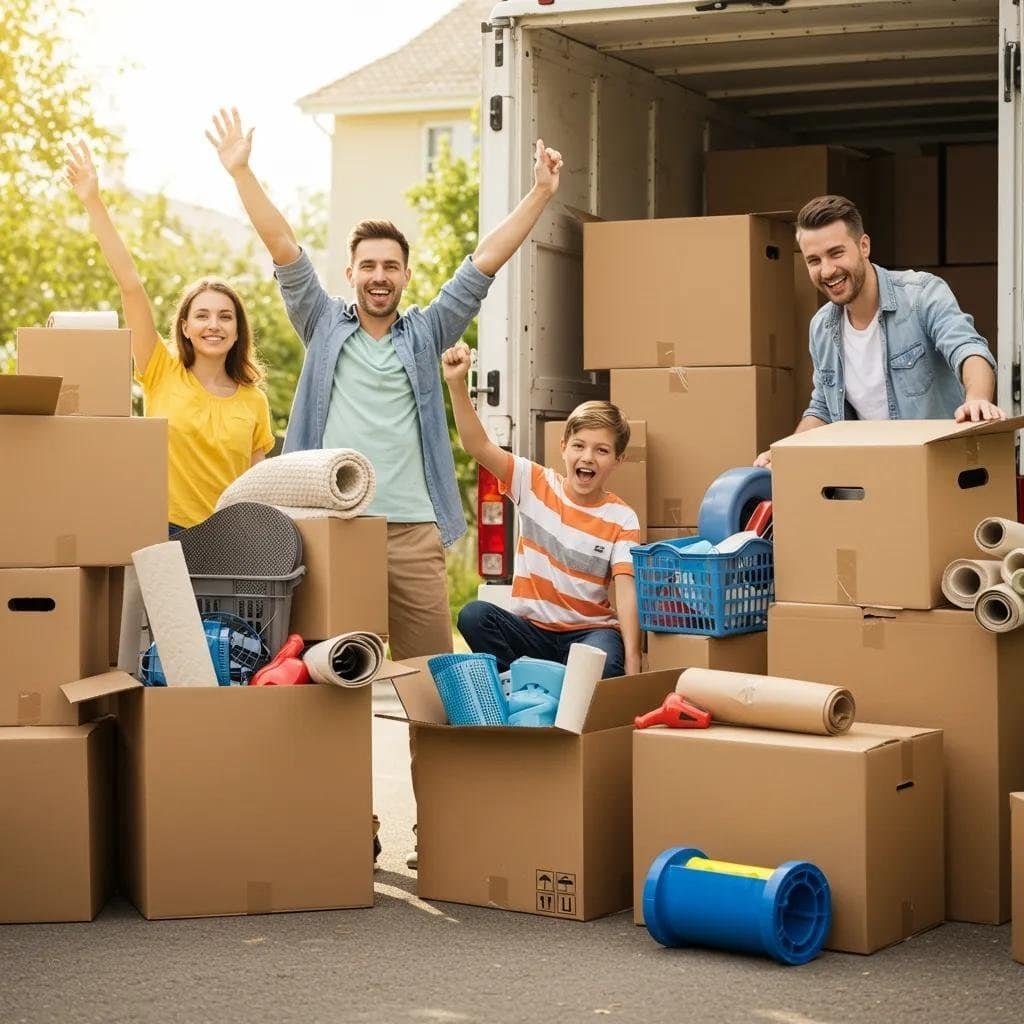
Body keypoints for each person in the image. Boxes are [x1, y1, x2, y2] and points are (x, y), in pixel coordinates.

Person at [208, 107, 563, 661]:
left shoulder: (427, 332)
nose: (379, 276)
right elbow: (282, 244)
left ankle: (433, 752)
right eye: (368, 265)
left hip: (413, 530)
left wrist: (540, 193)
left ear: (406, 275)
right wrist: (241, 172)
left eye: (391, 266)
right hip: (334, 525)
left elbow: (483, 263)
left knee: (428, 675)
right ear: (349, 272)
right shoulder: (321, 323)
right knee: (332, 672)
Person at [64, 141, 275, 534]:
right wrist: (93, 200)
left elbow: (255, 487)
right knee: (160, 600)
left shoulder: (253, 400)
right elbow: (130, 284)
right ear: (185, 327)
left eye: (225, 317)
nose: (214, 325)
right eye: (203, 315)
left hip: (227, 538)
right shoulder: (161, 369)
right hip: (161, 530)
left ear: (237, 331)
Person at [755, 194, 1004, 468]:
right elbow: (823, 409)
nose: (827, 270)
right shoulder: (821, 327)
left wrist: (977, 399)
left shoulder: (921, 295)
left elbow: (968, 350)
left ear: (864, 246)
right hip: (873, 474)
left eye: (836, 253)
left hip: (939, 469)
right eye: (814, 260)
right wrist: (786, 450)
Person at [444, 342, 641, 679]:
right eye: (579, 446)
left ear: (618, 460)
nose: (588, 457)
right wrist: (457, 384)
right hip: (530, 631)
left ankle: (556, 687)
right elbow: (477, 445)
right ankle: (523, 687)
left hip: (589, 632)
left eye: (602, 450)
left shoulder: (622, 517)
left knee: (608, 663)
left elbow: (626, 591)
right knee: (474, 616)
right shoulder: (533, 482)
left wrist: (634, 660)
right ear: (563, 447)